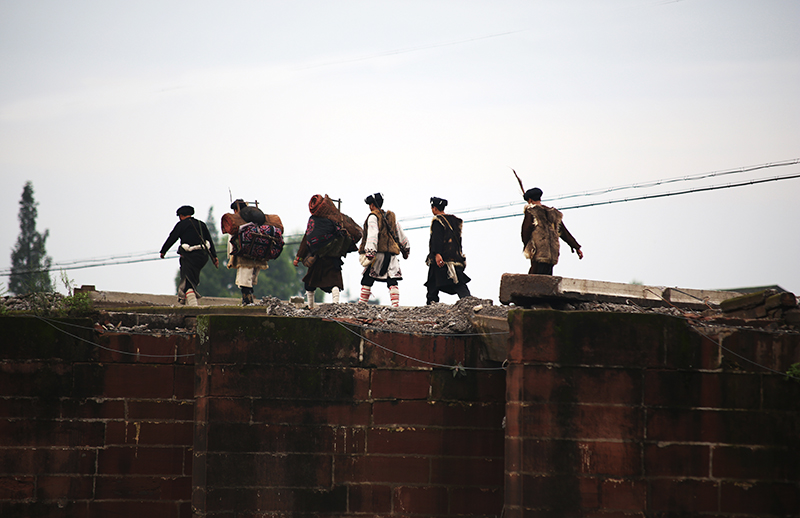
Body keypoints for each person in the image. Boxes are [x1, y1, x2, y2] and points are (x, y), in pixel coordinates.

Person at [294, 194, 362, 308]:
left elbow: (306, 239)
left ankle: (311, 305)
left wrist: (298, 257)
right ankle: (333, 305)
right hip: (332, 258)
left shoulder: (314, 221)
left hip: (318, 258)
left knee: (311, 283)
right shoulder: (337, 221)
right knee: (333, 282)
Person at [221, 199, 279, 305]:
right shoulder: (259, 222)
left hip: (244, 256)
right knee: (249, 279)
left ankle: (247, 301)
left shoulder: (239, 222)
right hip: (258, 255)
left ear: (236, 210)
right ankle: (249, 300)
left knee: (244, 280)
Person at [358, 193, 410, 307]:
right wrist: (406, 248)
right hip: (391, 255)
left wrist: (370, 252)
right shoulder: (391, 217)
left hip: (378, 254)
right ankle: (395, 305)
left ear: (372, 205)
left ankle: (362, 304)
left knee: (368, 278)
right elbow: (400, 233)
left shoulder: (373, 217)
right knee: (392, 280)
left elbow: (373, 235)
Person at [160, 205, 218, 306]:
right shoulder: (201, 224)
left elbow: (172, 237)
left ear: (181, 216)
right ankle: (188, 297)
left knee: (187, 281)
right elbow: (209, 240)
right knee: (193, 278)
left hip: (189, 256)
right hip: (202, 257)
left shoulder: (181, 225)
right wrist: (214, 257)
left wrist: (163, 251)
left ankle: (192, 304)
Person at [521, 187, 583, 275]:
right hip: (552, 253)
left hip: (539, 251)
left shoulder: (532, 211)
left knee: (534, 276)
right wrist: (576, 247)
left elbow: (526, 230)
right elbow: (564, 232)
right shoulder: (554, 213)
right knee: (547, 276)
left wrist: (527, 246)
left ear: (530, 200)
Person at [425, 197, 471, 304]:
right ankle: (469, 302)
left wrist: (437, 254)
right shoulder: (455, 221)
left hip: (443, 258)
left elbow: (437, 238)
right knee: (458, 282)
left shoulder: (438, 221)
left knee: (433, 283)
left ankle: (431, 304)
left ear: (434, 208)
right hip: (455, 257)